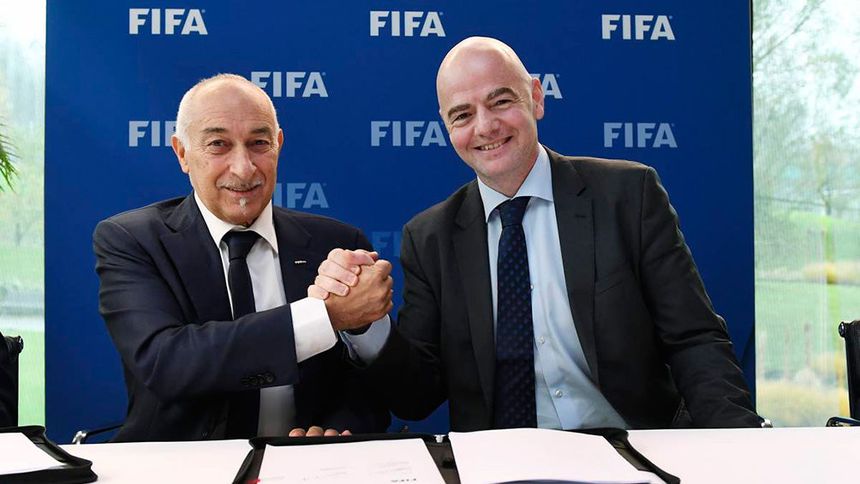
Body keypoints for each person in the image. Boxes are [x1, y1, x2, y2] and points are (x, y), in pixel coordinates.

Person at [311, 37, 763, 430]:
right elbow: (417, 396)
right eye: (462, 114)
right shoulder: (429, 237)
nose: (485, 126)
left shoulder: (628, 195)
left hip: (631, 448)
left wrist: (737, 447)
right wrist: (366, 325)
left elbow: (694, 339)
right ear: (447, 128)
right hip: (499, 465)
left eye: (500, 101)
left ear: (536, 98)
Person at [93, 74, 393, 441]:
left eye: (258, 143)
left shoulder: (338, 243)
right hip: (183, 465)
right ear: (182, 153)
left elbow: (370, 389)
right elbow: (166, 362)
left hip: (308, 463)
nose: (243, 167)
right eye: (218, 145)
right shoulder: (132, 240)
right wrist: (325, 316)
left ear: (278, 145)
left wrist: (338, 427)